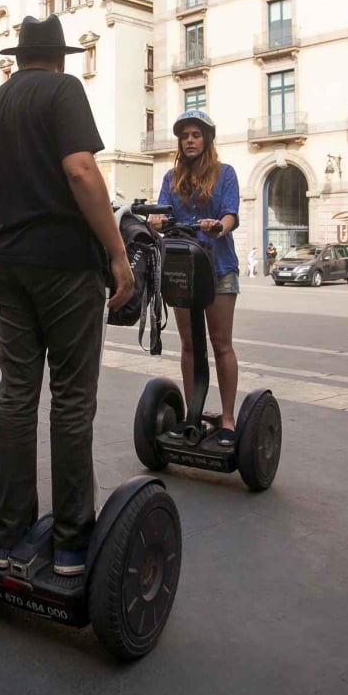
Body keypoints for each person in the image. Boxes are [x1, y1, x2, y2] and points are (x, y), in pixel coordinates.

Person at [0, 14, 133, 578]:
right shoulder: (64, 89)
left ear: (18, 58)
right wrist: (117, 253)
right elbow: (82, 169)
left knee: (18, 395)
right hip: (62, 263)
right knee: (71, 397)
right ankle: (70, 542)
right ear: (60, 57)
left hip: (4, 261)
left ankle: (9, 534)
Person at [148, 109, 243, 447]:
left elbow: (231, 214)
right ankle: (193, 416)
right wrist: (155, 222)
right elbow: (160, 213)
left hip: (218, 267)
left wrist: (219, 226)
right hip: (182, 268)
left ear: (207, 140)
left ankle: (228, 419)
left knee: (220, 343)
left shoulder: (225, 173)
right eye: (184, 136)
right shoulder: (171, 178)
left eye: (195, 135)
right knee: (189, 345)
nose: (189, 141)